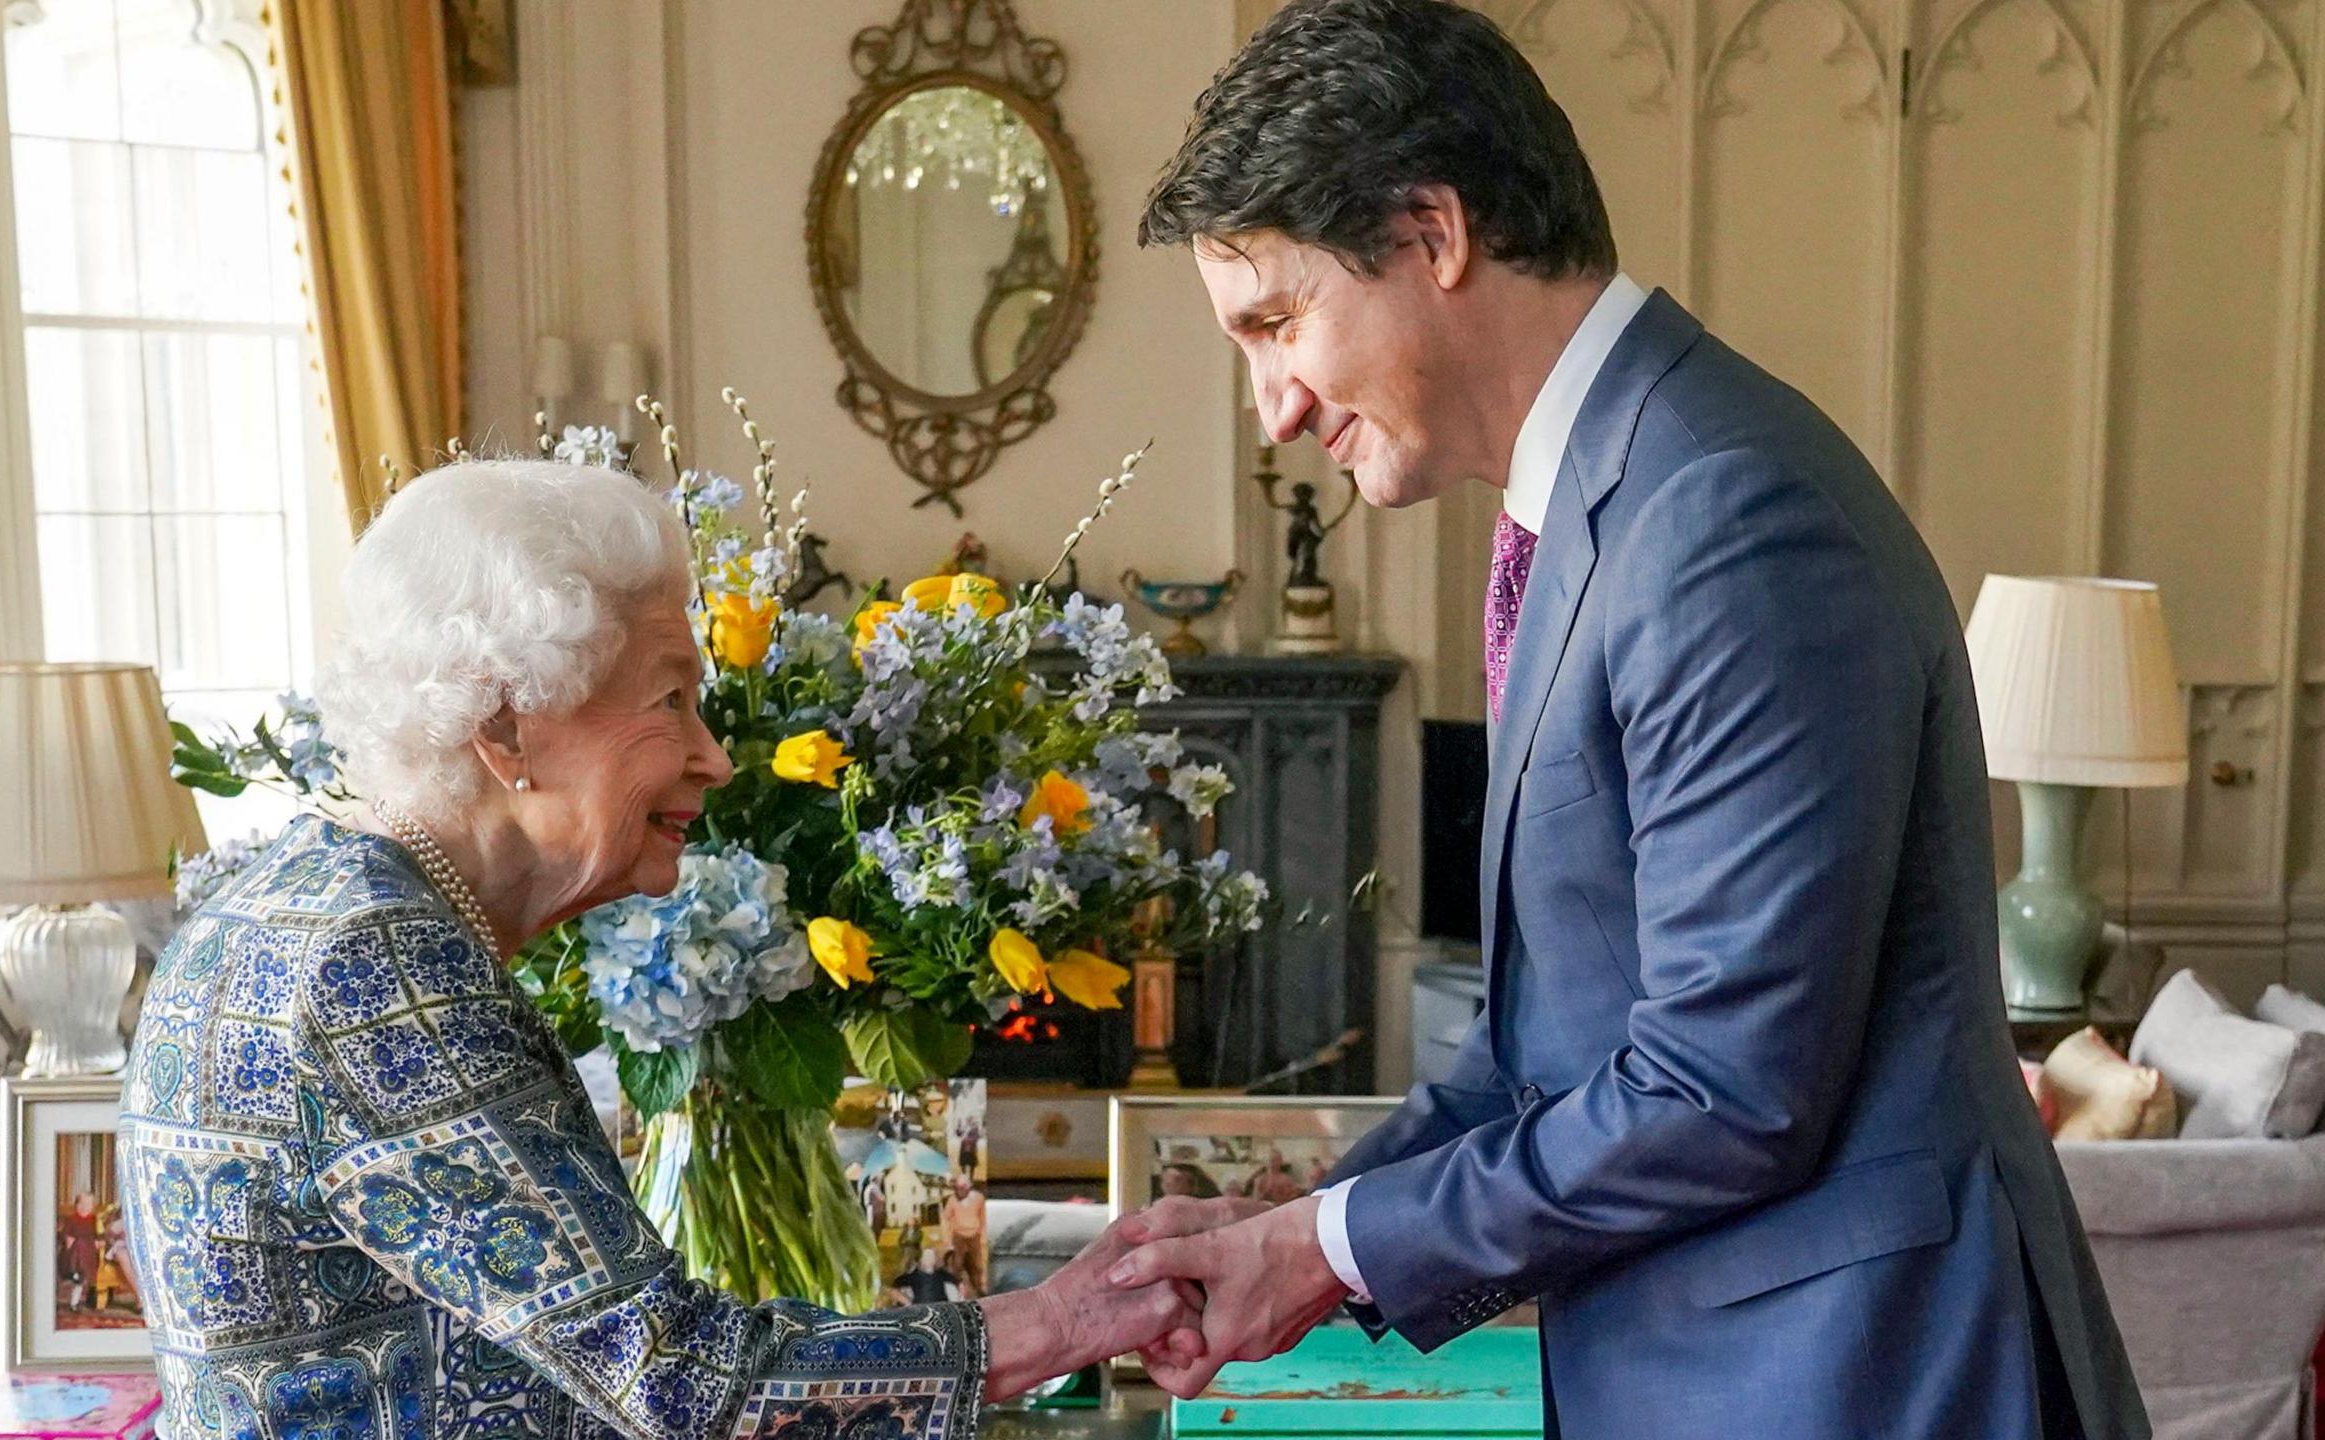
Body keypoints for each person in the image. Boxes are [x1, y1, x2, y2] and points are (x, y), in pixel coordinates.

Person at [1108, 4, 2149, 1438]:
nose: (1273, 407)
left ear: (1431, 235)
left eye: (1278, 324)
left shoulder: (1726, 516)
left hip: (1860, 1379)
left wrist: (1322, 1250)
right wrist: (1324, 1225)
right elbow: (1554, 1052)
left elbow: (1728, 1091)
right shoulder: (1607, 500)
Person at [118, 458, 1200, 1440]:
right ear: (506, 730)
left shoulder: (293, 900)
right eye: (670, 702)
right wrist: (1053, 1324)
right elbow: (680, 1379)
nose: (715, 758)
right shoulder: (376, 964)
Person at [941, 1176, 987, 1296]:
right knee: (957, 1264)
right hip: (958, 1235)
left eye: (962, 1187)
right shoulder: (952, 1200)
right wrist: (948, 1241)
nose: (959, 1191)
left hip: (974, 1235)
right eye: (957, 1188)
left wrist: (982, 1236)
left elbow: (982, 1218)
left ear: (969, 1187)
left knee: (977, 1264)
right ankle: (956, 1290)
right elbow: (945, 1219)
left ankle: (978, 1288)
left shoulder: (978, 1198)